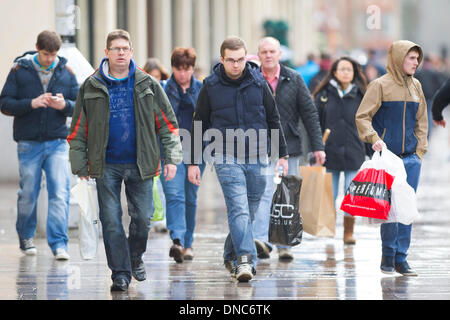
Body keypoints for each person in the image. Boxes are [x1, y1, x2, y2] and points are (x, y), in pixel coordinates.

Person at [67, 29, 182, 291]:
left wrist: (172, 158)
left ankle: (134, 256)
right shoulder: (91, 85)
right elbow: (77, 129)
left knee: (142, 218)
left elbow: (168, 124)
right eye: (115, 49)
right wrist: (79, 164)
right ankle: (120, 273)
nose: (120, 53)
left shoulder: (147, 84)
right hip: (105, 164)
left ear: (131, 52)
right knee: (110, 219)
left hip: (141, 163)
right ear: (106, 53)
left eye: (125, 48)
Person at [187, 36, 288, 282]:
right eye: (231, 60)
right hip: (224, 155)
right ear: (222, 59)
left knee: (249, 211)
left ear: (246, 57)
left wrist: (282, 154)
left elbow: (273, 118)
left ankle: (229, 253)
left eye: (241, 59)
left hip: (257, 154)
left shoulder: (258, 82)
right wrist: (192, 161)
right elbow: (199, 123)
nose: (236, 65)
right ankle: (245, 260)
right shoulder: (210, 86)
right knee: (239, 208)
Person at [0, 30, 78, 260]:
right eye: (45, 54)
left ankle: (59, 244)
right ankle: (26, 236)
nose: (49, 60)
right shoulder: (19, 70)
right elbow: (4, 103)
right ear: (37, 48)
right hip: (28, 142)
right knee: (29, 194)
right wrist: (31, 103)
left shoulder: (66, 72)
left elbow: (79, 106)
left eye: (53, 55)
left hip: (57, 142)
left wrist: (64, 105)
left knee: (60, 192)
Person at [356, 40, 428, 276]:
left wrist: (419, 152)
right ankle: (388, 255)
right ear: (398, 58)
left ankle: (401, 258)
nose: (416, 63)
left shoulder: (416, 86)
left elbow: (422, 121)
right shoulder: (379, 85)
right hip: (387, 158)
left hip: (410, 159)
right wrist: (373, 137)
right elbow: (363, 116)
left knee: (406, 208)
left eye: (417, 58)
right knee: (388, 209)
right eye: (411, 58)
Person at [253, 37, 325, 261]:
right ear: (258, 55)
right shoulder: (253, 79)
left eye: (272, 51)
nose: (268, 55)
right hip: (260, 147)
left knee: (287, 195)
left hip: (290, 146)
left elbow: (309, 113)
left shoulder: (293, 78)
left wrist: (317, 147)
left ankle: (284, 245)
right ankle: (261, 241)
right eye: (263, 51)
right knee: (264, 193)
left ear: (279, 54)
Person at [311, 56, 368, 245]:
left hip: (354, 151)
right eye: (342, 69)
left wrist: (370, 150)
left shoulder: (362, 95)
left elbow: (369, 123)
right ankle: (329, 229)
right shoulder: (324, 95)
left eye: (349, 69)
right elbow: (314, 123)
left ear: (354, 73)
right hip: (329, 152)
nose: (345, 72)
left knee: (352, 195)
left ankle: (348, 232)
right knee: (330, 195)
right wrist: (315, 148)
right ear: (334, 72)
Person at [161, 47, 205, 263]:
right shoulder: (164, 89)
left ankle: (188, 243)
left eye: (187, 69)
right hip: (170, 150)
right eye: (178, 69)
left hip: (197, 150)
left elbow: (206, 122)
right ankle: (177, 240)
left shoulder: (202, 89)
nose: (182, 74)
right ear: (173, 68)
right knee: (175, 195)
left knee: (190, 197)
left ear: (192, 69)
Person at [142, 57, 170, 233]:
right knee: (153, 183)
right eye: (152, 76)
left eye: (158, 76)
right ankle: (157, 218)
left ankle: (162, 217)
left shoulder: (167, 90)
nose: (155, 80)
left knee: (167, 183)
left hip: (164, 142)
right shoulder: (141, 92)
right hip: (148, 143)